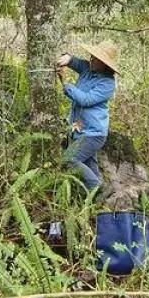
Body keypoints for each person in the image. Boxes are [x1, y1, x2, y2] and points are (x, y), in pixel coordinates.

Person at [55, 41, 118, 192]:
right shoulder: (87, 69)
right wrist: (67, 58)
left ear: (105, 64)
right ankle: (97, 200)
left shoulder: (107, 83)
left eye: (97, 59)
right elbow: (74, 61)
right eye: (92, 56)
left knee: (70, 159)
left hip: (93, 133)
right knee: (90, 165)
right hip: (81, 130)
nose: (92, 59)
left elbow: (86, 100)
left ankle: (98, 188)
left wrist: (65, 83)